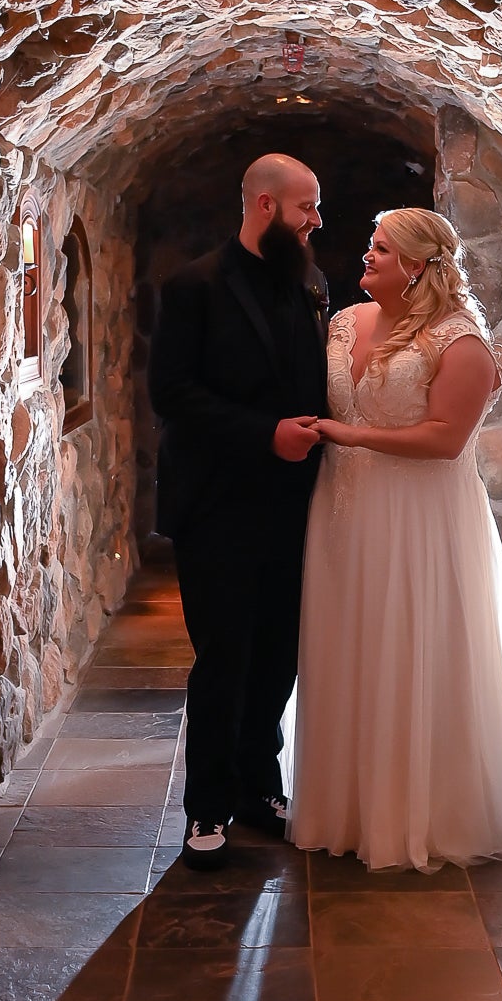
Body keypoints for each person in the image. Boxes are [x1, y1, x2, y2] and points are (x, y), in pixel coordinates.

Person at [285, 205, 502, 871]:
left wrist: (351, 434)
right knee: (347, 640)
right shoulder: (342, 325)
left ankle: (421, 813)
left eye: (380, 249)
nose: (367, 257)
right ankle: (346, 807)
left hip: (418, 522)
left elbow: (446, 441)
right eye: (371, 244)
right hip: (342, 515)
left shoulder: (459, 341)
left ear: (416, 267)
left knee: (408, 640)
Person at [148, 154, 328, 870]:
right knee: (224, 656)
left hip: (293, 504)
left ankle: (260, 787)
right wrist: (266, 434)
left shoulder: (309, 285)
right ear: (263, 205)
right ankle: (205, 808)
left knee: (279, 654)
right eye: (305, 206)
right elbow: (173, 395)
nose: (316, 220)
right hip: (218, 504)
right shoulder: (192, 286)